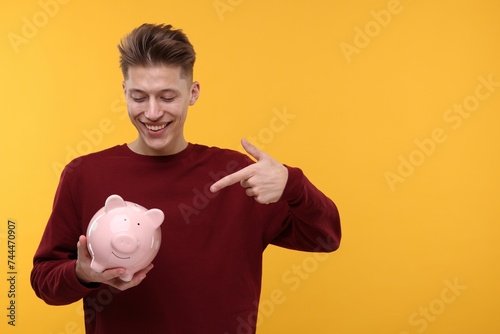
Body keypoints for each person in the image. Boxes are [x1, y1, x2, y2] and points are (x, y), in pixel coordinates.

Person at [31, 23, 341, 334]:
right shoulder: (84, 175)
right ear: (124, 92)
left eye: (167, 97)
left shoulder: (237, 176)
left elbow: (326, 238)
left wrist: (292, 184)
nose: (152, 113)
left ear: (193, 93)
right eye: (139, 97)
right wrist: (82, 274)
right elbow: (44, 281)